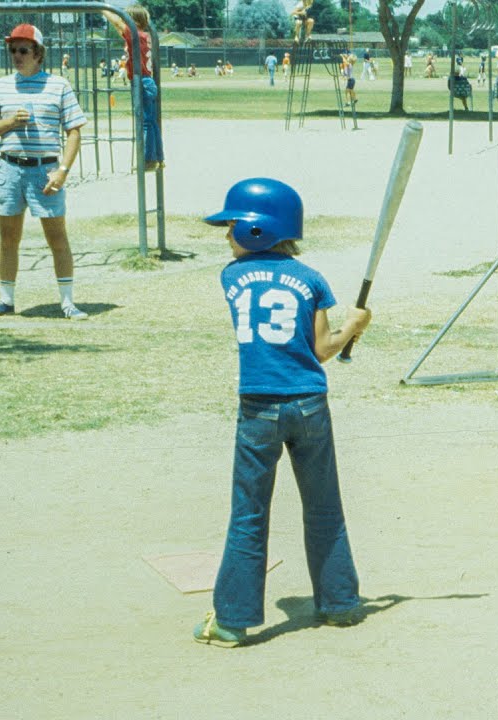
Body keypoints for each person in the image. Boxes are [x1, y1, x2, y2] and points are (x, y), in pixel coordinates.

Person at [192, 178, 372, 648]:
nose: (226, 233)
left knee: (249, 513)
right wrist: (354, 324)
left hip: (257, 409)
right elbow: (323, 350)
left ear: (256, 231)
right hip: (310, 404)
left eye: (232, 225)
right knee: (324, 507)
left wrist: (350, 326)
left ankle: (231, 620)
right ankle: (340, 603)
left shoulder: (231, 277)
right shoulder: (313, 280)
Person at [0, 24, 89, 320]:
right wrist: (10, 122)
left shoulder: (58, 85)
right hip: (10, 170)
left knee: (57, 238)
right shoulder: (1, 86)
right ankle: (6, 300)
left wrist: (62, 171)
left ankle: (67, 302)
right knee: (8, 238)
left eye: (23, 50)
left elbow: (75, 131)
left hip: (45, 173)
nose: (16, 55)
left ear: (38, 53)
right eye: (12, 50)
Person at [102, 6, 163, 171]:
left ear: (134, 22)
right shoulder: (145, 36)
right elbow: (119, 25)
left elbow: (116, 23)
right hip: (147, 81)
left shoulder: (135, 35)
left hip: (141, 82)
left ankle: (148, 159)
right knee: (151, 122)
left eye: (126, 19)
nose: (123, 23)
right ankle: (158, 157)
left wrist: (102, 8)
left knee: (144, 123)